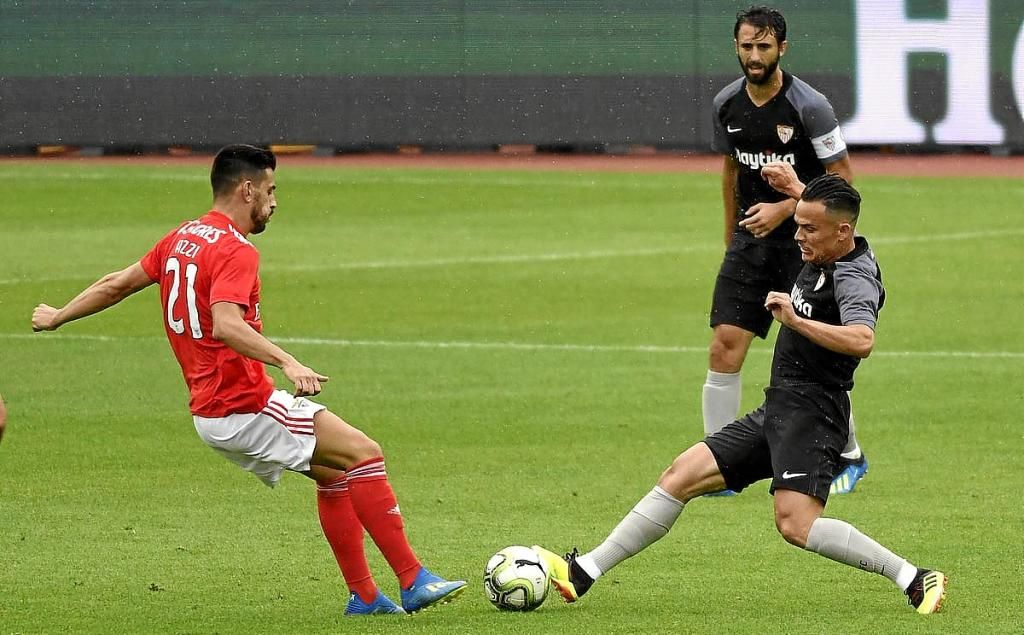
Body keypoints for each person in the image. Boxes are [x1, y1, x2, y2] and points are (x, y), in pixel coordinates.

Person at [31, 144, 465, 617]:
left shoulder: (182, 237)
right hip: (241, 405)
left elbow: (118, 284)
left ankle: (364, 598)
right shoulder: (237, 250)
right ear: (247, 189)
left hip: (211, 411)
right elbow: (227, 325)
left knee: (335, 473)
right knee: (365, 453)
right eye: (271, 189)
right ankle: (413, 580)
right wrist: (288, 362)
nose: (275, 201)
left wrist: (58, 316)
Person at [534, 174, 948, 615]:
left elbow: (862, 340)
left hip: (813, 414)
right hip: (780, 406)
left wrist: (795, 320)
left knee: (795, 526)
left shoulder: (854, 278)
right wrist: (798, 189)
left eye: (809, 229)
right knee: (680, 475)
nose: (799, 236)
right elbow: (824, 211)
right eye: (799, 225)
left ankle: (914, 577)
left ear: (842, 232)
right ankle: (583, 573)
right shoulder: (834, 239)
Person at [704, 5, 867, 495]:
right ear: (736, 47)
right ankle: (717, 462)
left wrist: (787, 204)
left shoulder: (809, 107)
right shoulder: (726, 104)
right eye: (746, 46)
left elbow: (842, 182)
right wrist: (731, 235)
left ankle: (849, 451)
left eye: (764, 47)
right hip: (750, 245)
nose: (754, 56)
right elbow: (732, 170)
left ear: (782, 49)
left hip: (805, 243)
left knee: (811, 356)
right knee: (724, 345)